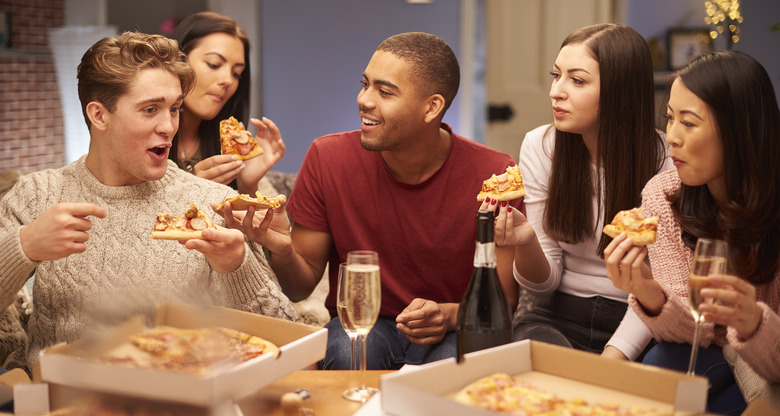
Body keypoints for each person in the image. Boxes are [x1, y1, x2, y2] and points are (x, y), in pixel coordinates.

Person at [220, 32, 524, 369]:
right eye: (365, 84)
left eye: (385, 91)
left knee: (451, 374)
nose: (364, 99)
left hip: (453, 329)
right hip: (362, 324)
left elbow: (506, 301)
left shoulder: (495, 174)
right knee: (347, 356)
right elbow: (298, 288)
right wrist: (283, 249)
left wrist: (451, 315)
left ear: (432, 107)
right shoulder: (328, 157)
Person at [0, 31, 297, 371]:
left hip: (181, 398)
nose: (168, 126)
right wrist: (23, 248)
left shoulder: (213, 204)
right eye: (151, 109)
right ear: (99, 115)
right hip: (66, 399)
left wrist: (237, 266)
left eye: (174, 109)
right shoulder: (36, 194)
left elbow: (284, 337)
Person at [604, 50, 780, 416]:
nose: (672, 137)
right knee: (653, 380)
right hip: (695, 348)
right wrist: (649, 293)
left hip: (767, 361)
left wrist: (754, 321)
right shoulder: (663, 196)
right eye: (669, 119)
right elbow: (691, 326)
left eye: (688, 122)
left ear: (738, 129)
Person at [482, 24, 672, 359]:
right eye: (556, 75)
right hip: (554, 313)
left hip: (638, 316)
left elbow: (664, 284)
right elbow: (544, 282)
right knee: (538, 374)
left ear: (619, 91)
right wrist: (525, 239)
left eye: (577, 80)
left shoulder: (667, 159)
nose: (556, 91)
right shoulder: (541, 146)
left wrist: (615, 355)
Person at [171, 12, 285, 194]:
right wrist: (192, 190)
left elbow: (277, 223)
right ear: (178, 61)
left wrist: (247, 185)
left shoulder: (233, 149)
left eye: (236, 74)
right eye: (214, 64)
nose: (228, 80)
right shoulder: (145, 142)